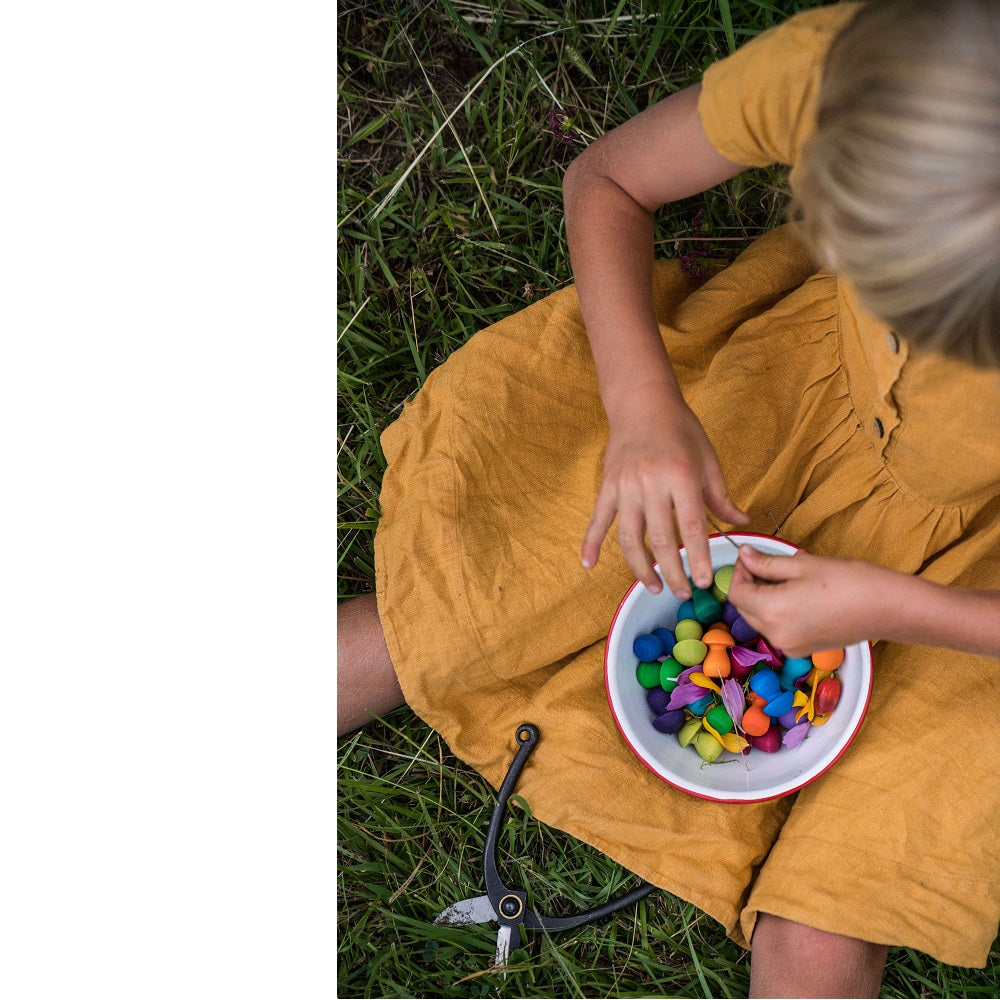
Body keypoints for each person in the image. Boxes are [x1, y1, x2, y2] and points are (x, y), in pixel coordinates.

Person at [338, 1, 1000, 995]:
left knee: (824, 928)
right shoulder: (859, 76)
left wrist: (896, 610)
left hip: (977, 589)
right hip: (780, 406)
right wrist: (643, 411)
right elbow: (605, 179)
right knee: (464, 606)